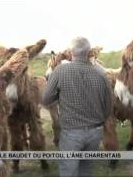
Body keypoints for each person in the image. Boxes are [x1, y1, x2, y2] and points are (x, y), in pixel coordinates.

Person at [42, 37, 113, 177]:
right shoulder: (101, 75)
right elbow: (108, 108)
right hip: (95, 133)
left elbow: (45, 99)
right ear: (88, 52)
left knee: (68, 172)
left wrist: (60, 96)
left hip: (71, 134)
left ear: (70, 52)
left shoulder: (60, 71)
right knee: (86, 171)